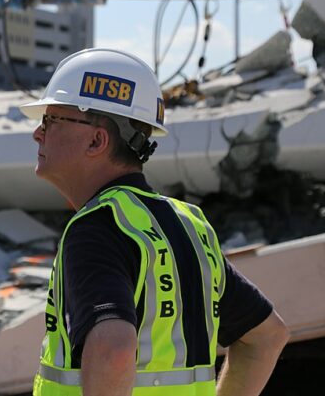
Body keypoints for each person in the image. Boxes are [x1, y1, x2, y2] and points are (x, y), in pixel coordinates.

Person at [19, 48, 289, 396]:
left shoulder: (97, 227)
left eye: (51, 121)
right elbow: (267, 337)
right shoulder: (188, 226)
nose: (37, 134)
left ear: (97, 140)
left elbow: (114, 352)